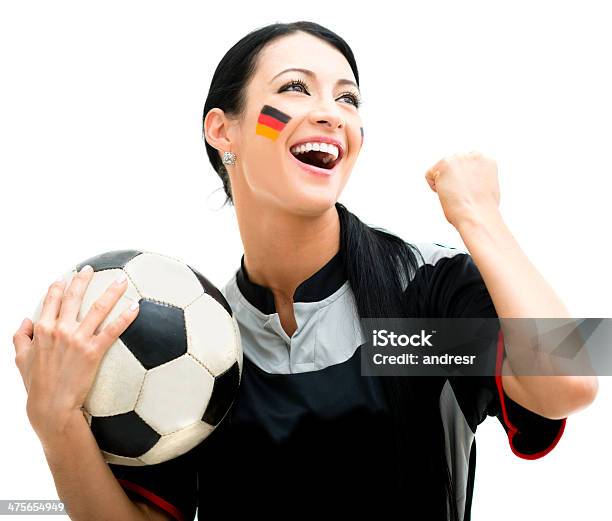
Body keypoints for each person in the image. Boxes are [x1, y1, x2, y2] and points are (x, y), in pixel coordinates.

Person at [12, 21, 598, 521]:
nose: (330, 114)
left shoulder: (424, 291)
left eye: (348, 99)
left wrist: (479, 215)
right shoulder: (197, 338)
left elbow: (569, 382)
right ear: (223, 130)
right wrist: (56, 422)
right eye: (295, 88)